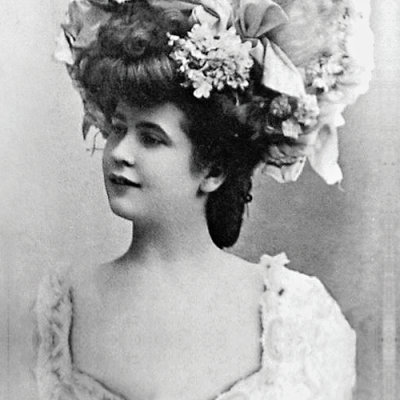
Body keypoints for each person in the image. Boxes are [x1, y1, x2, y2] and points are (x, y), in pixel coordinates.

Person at [33, 1, 373, 399]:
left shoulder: (298, 317)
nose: (120, 152)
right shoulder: (57, 311)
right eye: (118, 129)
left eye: (151, 138)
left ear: (213, 170)